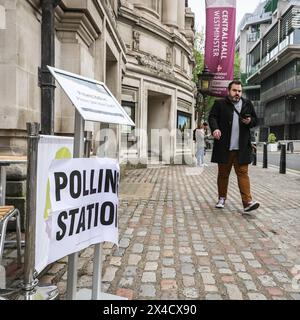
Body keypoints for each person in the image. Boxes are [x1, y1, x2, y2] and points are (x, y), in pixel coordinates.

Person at [208, 80, 260, 214]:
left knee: (243, 174)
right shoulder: (219, 104)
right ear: (228, 91)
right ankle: (221, 198)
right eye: (235, 90)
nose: (237, 93)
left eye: (239, 91)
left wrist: (250, 121)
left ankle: (247, 202)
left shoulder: (247, 103)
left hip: (242, 148)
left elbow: (256, 120)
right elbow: (212, 117)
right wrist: (215, 129)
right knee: (223, 175)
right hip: (224, 147)